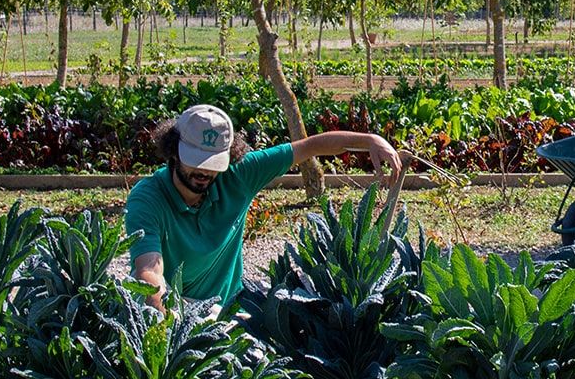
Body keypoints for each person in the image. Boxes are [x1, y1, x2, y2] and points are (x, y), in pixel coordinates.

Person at [125, 104, 401, 313]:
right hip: (167, 307)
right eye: (196, 160)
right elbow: (149, 271)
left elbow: (310, 147)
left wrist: (370, 140)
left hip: (226, 310)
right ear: (173, 150)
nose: (204, 171)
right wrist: (166, 318)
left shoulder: (239, 175)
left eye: (213, 163)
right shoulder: (148, 198)